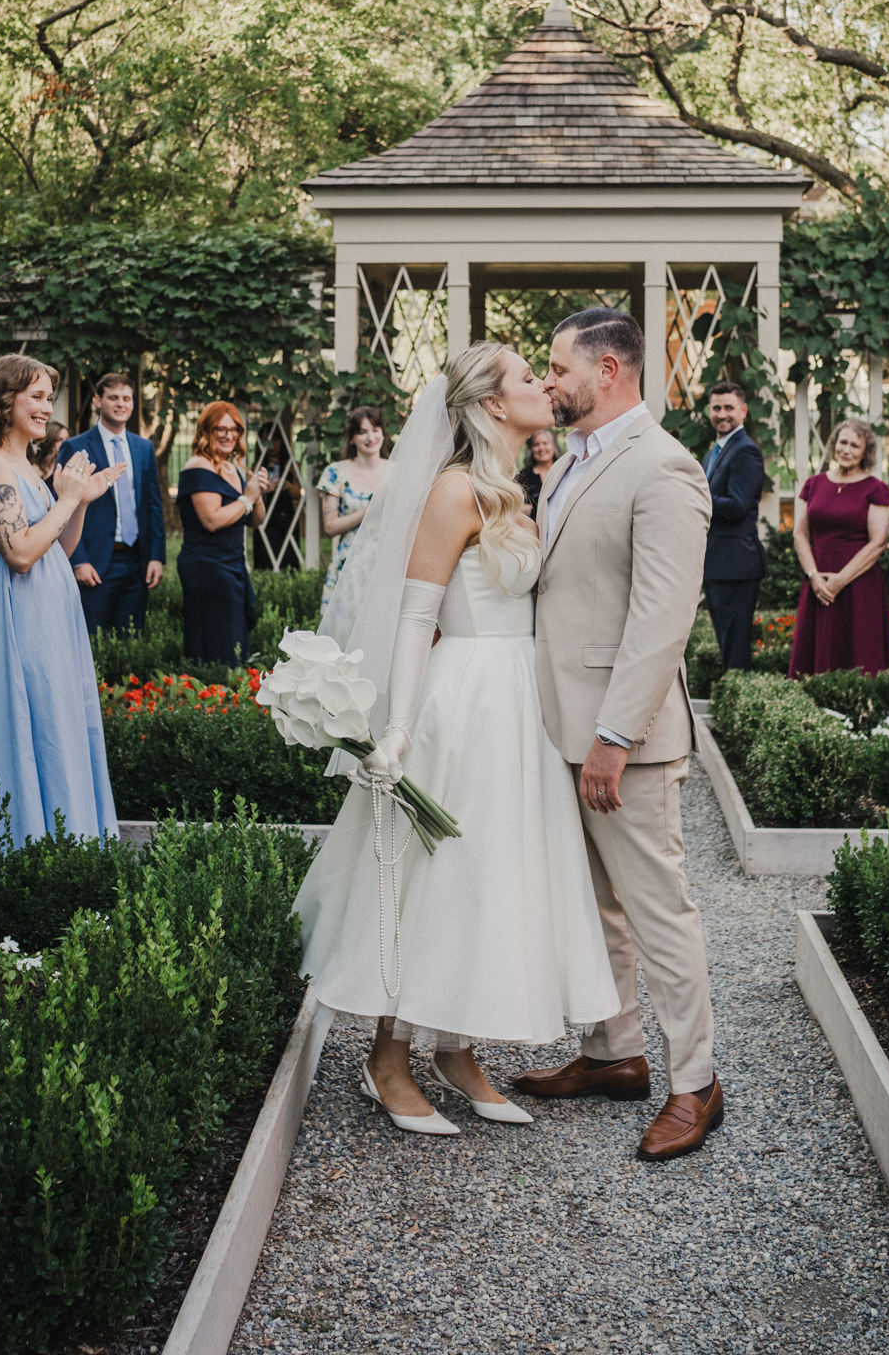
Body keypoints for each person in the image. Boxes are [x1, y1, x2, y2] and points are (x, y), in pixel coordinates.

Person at [301, 346, 619, 1135]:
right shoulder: (452, 490)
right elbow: (416, 615)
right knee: (429, 876)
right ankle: (387, 1057)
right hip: (464, 700)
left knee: (489, 876)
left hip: (520, 704)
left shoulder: (514, 487)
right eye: (526, 378)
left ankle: (456, 1049)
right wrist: (399, 729)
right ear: (488, 403)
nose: (543, 385)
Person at [516, 308, 721, 1165]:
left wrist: (612, 737)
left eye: (557, 368)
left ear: (607, 370)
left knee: (657, 908)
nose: (548, 382)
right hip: (564, 725)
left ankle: (696, 1083)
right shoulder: (572, 462)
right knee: (599, 908)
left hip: (620, 737)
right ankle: (615, 1054)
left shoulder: (664, 468)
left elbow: (661, 622)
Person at [0, 355, 124, 846]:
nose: (45, 406)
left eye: (47, 397)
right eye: (35, 395)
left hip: (54, 615)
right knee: (34, 730)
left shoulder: (29, 468)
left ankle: (73, 848)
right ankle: (34, 854)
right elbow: (21, 554)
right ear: (2, 399)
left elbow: (61, 548)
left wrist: (81, 502)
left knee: (62, 728)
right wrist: (67, 499)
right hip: (20, 617)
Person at [56, 373, 166, 638]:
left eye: (126, 398)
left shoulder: (143, 448)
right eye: (113, 397)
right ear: (98, 400)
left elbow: (153, 506)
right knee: (91, 641)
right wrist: (78, 561)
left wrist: (156, 556)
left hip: (136, 562)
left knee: (131, 640)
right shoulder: (75, 446)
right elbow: (61, 507)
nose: (121, 404)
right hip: (95, 562)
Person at [788, 418, 889, 677]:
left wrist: (840, 580)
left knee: (859, 649)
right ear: (834, 445)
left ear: (865, 452)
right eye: (842, 442)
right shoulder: (814, 484)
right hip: (818, 580)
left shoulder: (875, 489)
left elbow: (878, 541)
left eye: (855, 446)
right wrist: (814, 577)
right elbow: (800, 534)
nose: (846, 450)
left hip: (859, 583)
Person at [176, 403, 270, 665]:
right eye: (221, 429)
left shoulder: (234, 468)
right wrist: (247, 497)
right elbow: (212, 520)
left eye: (235, 430)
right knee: (215, 645)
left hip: (232, 564)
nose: (229, 436)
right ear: (207, 430)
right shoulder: (198, 466)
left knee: (234, 641)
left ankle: (230, 695)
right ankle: (211, 696)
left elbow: (254, 521)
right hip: (206, 566)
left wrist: (256, 495)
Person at [700, 382, 768, 673]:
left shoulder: (745, 451)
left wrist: (696, 495)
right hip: (718, 564)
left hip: (737, 566)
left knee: (735, 651)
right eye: (716, 408)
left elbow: (738, 507)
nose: (722, 414)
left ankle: (735, 710)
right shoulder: (714, 451)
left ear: (743, 411)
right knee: (726, 645)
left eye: (729, 408)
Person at [319, 407, 391, 609]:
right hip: (350, 569)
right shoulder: (335, 473)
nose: (370, 437)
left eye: (375, 430)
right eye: (362, 432)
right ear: (352, 438)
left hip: (388, 567)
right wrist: (368, 510)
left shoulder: (397, 472)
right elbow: (330, 526)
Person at [253, 429, 302, 571]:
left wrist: (287, 485)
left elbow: (298, 494)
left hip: (286, 513)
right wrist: (264, 489)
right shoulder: (258, 465)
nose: (271, 444)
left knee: (288, 558)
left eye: (275, 439)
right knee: (264, 556)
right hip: (265, 513)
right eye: (266, 440)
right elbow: (254, 494)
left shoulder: (291, 465)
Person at [517, 426, 559, 515]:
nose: (541, 448)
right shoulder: (522, 477)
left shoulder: (564, 471)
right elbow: (513, 509)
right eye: (536, 444)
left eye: (545, 443)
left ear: (553, 446)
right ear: (531, 449)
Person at [29, 420, 67, 486]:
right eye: (60, 440)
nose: (65, 443)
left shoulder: (66, 464)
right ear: (50, 441)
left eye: (66, 439)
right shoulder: (36, 469)